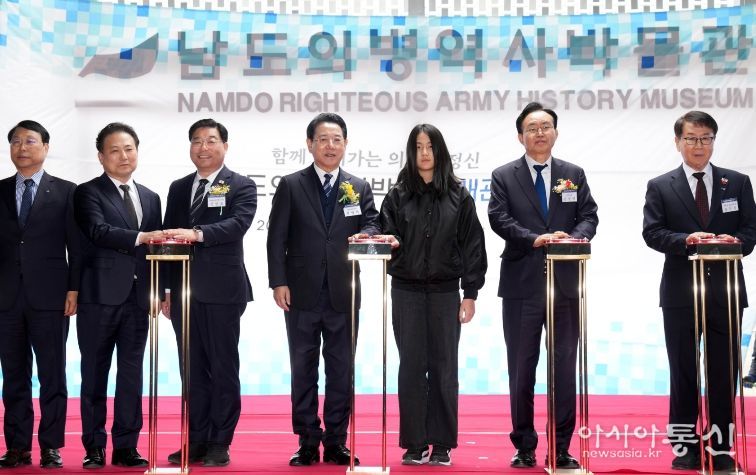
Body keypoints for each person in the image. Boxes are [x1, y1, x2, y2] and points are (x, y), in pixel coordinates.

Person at [642, 110, 756, 471]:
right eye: (691, 138)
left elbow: (751, 233)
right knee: (684, 372)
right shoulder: (661, 185)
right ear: (678, 142)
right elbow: (652, 233)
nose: (698, 145)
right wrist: (687, 239)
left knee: (723, 372)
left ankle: (721, 448)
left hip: (726, 292)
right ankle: (685, 447)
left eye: (706, 138)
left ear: (714, 142)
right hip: (680, 293)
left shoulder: (737, 182)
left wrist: (733, 243)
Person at [487, 102, 598, 469]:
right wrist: (535, 238)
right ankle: (524, 445)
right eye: (532, 128)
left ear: (555, 132)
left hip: (565, 286)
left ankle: (561, 447)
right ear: (520, 136)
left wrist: (572, 238)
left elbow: (589, 216)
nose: (539, 132)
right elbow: (499, 218)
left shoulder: (573, 174)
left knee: (564, 369)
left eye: (545, 126)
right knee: (521, 370)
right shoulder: (504, 175)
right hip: (522, 286)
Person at [267, 112, 380, 466]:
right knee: (303, 369)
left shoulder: (358, 186)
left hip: (344, 292)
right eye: (323, 139)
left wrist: (368, 235)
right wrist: (278, 281)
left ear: (346, 144)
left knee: (341, 369)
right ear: (310, 143)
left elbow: (373, 223)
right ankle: (306, 440)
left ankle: (336, 441)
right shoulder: (291, 184)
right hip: (300, 292)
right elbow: (276, 238)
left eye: (337, 140)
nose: (330, 146)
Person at [378, 124, 487, 466]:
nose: (424, 153)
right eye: (418, 147)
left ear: (440, 151)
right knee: (411, 367)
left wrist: (470, 293)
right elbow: (384, 235)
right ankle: (414, 443)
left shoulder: (459, 196)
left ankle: (441, 443)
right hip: (406, 291)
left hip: (445, 292)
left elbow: (473, 246)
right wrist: (389, 242)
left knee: (443, 368)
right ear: (410, 152)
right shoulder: (397, 196)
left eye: (430, 146)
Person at [161, 118, 257, 467]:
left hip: (222, 291)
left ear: (224, 146)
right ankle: (197, 439)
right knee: (191, 369)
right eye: (197, 141)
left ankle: (220, 441)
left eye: (211, 140)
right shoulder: (178, 187)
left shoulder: (241, 185)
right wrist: (166, 288)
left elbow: (238, 224)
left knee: (222, 367)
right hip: (182, 293)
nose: (203, 147)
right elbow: (167, 237)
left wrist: (197, 234)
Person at [74, 122, 164, 469]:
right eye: (114, 150)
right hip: (99, 297)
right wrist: (141, 237)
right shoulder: (87, 192)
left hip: (139, 300)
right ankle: (94, 446)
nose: (123, 156)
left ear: (137, 152)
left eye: (129, 149)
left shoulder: (151, 197)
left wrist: (161, 290)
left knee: (131, 376)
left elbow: (157, 252)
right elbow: (98, 231)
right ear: (101, 156)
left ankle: (126, 446)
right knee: (94, 374)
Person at [0, 120, 81, 469]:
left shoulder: (66, 191)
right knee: (14, 377)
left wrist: (74, 288)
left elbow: (76, 246)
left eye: (30, 141)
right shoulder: (0, 190)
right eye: (16, 141)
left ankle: (51, 445)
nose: (22, 148)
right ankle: (17, 446)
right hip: (6, 299)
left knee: (52, 375)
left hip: (51, 298)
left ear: (46, 147)